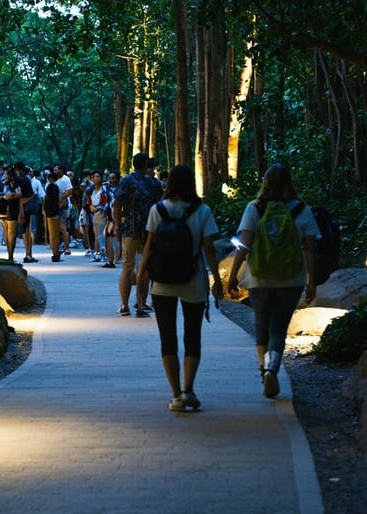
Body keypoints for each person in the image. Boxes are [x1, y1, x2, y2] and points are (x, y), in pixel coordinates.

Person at [226, 162, 321, 398]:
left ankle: (264, 369)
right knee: (278, 329)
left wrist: (233, 275)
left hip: (260, 278)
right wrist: (312, 281)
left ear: (265, 183)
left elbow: (244, 245)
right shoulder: (302, 209)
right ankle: (272, 369)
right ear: (289, 183)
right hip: (291, 279)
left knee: (262, 327)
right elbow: (310, 248)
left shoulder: (255, 208)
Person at [137, 164, 224, 412]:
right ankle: (188, 390)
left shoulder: (158, 210)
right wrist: (216, 280)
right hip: (193, 280)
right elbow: (209, 249)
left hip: (162, 283)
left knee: (168, 339)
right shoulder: (202, 211)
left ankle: (175, 395)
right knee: (192, 336)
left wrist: (141, 276)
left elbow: (149, 246)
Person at [113, 152, 164, 317]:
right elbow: (159, 205)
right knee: (145, 266)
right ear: (147, 165)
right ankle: (141, 303)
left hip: (130, 227)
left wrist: (116, 225)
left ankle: (124, 304)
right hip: (149, 230)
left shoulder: (127, 180)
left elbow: (117, 204)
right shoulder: (154, 184)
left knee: (127, 266)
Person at [14, 162, 39, 263]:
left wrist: (21, 202)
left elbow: (20, 195)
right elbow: (32, 194)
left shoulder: (17, 180)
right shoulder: (27, 179)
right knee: (28, 230)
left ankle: (28, 254)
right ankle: (29, 254)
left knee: (25, 231)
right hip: (29, 206)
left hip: (23, 208)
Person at [85, 170, 110, 264]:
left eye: (98, 176)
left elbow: (106, 201)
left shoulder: (104, 189)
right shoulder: (90, 190)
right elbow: (88, 200)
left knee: (100, 233)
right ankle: (97, 253)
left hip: (101, 212)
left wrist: (100, 208)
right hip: (93, 212)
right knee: (96, 234)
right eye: (94, 177)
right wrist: (90, 206)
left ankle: (102, 253)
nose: (95, 178)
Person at [0, 171, 23, 261]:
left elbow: (16, 195)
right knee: (11, 234)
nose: (4, 176)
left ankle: (10, 255)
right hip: (9, 210)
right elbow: (19, 194)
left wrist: (7, 196)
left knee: (8, 232)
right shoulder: (13, 185)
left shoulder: (6, 184)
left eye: (6, 174)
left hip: (5, 209)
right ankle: (10, 256)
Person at [43, 171, 63, 262]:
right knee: (55, 234)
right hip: (54, 213)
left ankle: (54, 252)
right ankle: (56, 253)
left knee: (52, 234)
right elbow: (55, 200)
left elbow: (46, 200)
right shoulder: (55, 187)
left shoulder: (48, 187)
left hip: (49, 213)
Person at [54, 165, 74, 255]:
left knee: (63, 226)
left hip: (64, 206)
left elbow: (69, 191)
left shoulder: (65, 179)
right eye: (54, 170)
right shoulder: (55, 179)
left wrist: (61, 198)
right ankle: (60, 246)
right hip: (56, 205)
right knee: (57, 227)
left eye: (57, 170)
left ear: (61, 170)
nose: (55, 171)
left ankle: (66, 247)